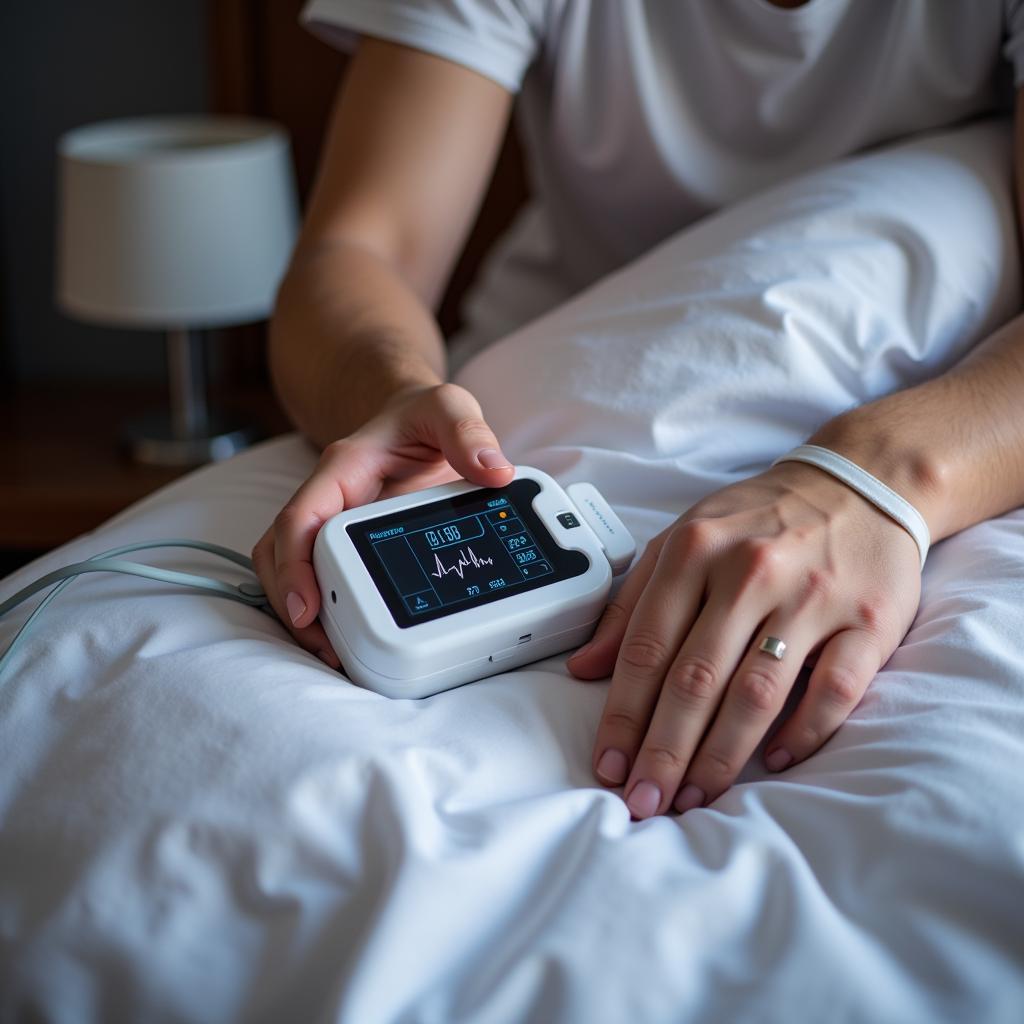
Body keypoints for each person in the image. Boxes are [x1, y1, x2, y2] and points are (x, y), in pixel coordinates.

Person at [252, 0, 1024, 821]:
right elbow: (359, 252)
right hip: (525, 383)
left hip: (925, 389)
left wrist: (876, 476)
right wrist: (393, 396)